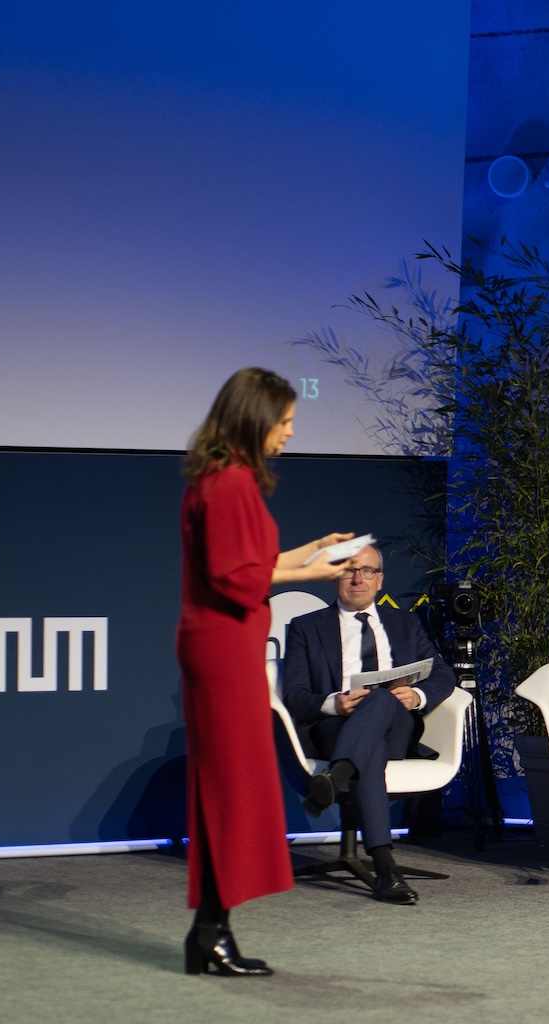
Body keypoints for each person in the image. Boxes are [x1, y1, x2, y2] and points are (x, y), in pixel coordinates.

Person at [177, 367, 352, 976]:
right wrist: (314, 574)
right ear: (255, 420)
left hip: (224, 644)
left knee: (227, 789)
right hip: (223, 648)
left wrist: (312, 551)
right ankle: (211, 933)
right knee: (232, 790)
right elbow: (235, 576)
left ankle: (209, 933)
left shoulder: (221, 477)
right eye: (284, 421)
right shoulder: (229, 481)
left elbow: (249, 561)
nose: (290, 432)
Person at [279, 543, 457, 904]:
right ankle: (385, 867)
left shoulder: (406, 624)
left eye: (367, 571)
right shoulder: (306, 627)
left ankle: (337, 776)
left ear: (380, 580)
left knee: (379, 699)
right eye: (349, 570)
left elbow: (442, 674)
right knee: (369, 748)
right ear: (335, 577)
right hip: (335, 727)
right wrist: (334, 703)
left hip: (397, 728)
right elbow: (295, 695)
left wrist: (417, 696)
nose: (358, 579)